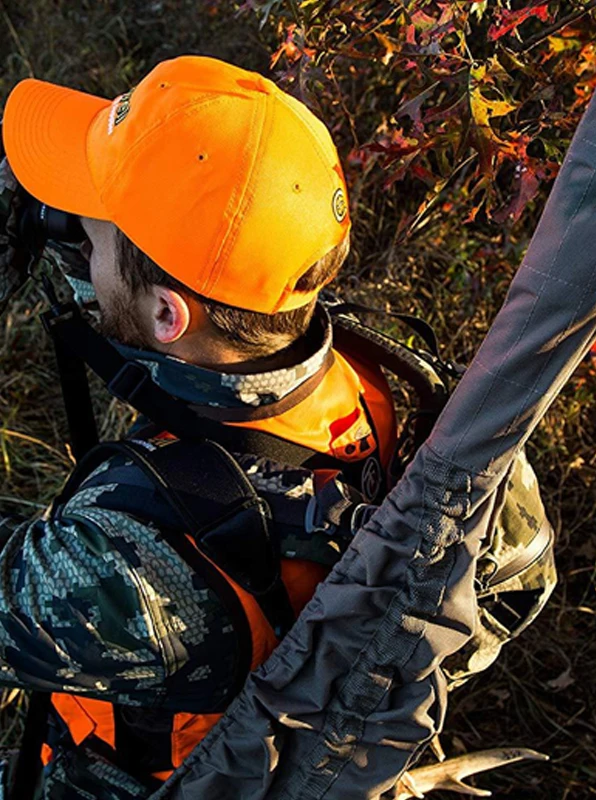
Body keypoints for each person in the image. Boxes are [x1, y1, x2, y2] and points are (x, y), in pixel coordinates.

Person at [0, 55, 398, 797]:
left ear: (167, 316)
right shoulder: (393, 385)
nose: (74, 235)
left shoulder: (131, 559)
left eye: (95, 232)